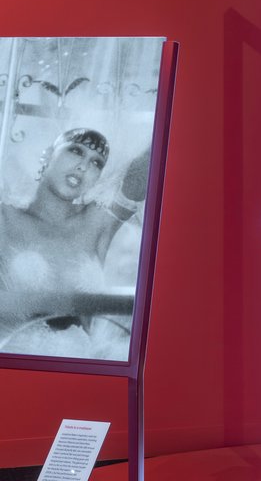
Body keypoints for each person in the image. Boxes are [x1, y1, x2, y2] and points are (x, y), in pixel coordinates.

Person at [0, 128, 149, 357]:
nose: (84, 166)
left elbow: (141, 175)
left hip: (78, 368)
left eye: (97, 163)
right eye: (76, 151)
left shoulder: (96, 222)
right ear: (48, 154)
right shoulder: (5, 218)